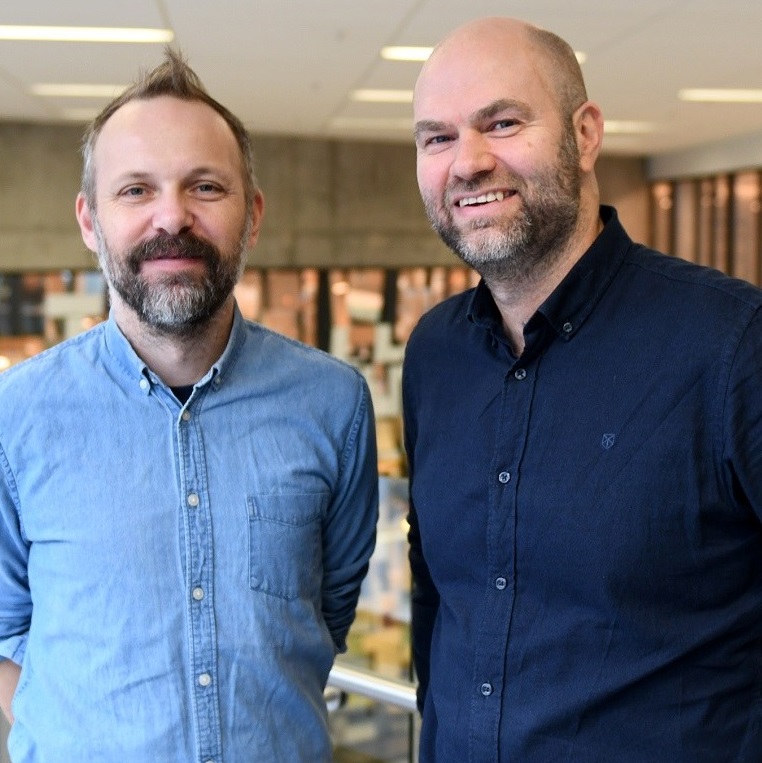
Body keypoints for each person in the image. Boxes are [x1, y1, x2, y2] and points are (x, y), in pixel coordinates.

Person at [0, 49, 378, 762]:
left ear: (253, 214)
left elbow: (325, 615)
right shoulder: (14, 416)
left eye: (205, 186)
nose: (172, 217)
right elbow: (3, 629)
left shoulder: (334, 403)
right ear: (90, 220)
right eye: (135, 190)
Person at [403, 16, 762, 763]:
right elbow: (438, 595)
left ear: (586, 134)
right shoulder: (434, 353)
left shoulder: (731, 342)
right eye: (436, 137)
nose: (467, 162)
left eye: (501, 123)